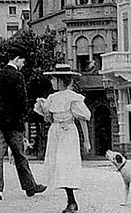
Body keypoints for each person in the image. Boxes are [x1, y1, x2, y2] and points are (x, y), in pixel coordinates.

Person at [0, 45, 46, 202]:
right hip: (14, 124)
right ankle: (30, 187)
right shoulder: (18, 77)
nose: (23, 64)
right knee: (20, 155)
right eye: (22, 61)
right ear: (16, 59)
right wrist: (24, 117)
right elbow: (22, 101)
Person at [34, 63, 91, 213]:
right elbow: (49, 119)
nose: (52, 82)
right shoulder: (52, 97)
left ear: (61, 80)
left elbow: (82, 119)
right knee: (57, 163)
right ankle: (70, 201)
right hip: (56, 132)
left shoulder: (73, 98)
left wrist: (87, 140)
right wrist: (44, 110)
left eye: (54, 79)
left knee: (67, 164)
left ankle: (71, 201)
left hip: (68, 132)